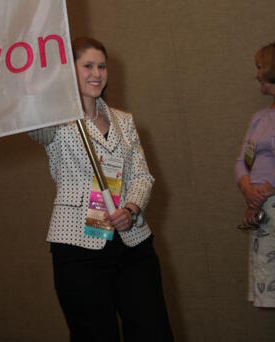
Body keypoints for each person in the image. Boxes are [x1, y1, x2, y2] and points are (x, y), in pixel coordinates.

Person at [30, 36, 173, 341]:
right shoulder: (54, 120)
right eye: (87, 66)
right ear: (70, 71)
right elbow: (35, 126)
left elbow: (142, 177)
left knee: (152, 329)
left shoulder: (124, 120)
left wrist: (131, 210)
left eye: (102, 66)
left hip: (132, 242)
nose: (96, 73)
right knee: (95, 334)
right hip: (78, 247)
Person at [236, 41, 275, 307]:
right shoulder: (260, 117)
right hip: (263, 210)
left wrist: (264, 192)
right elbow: (243, 161)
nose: (256, 74)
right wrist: (249, 190)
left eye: (259, 67)